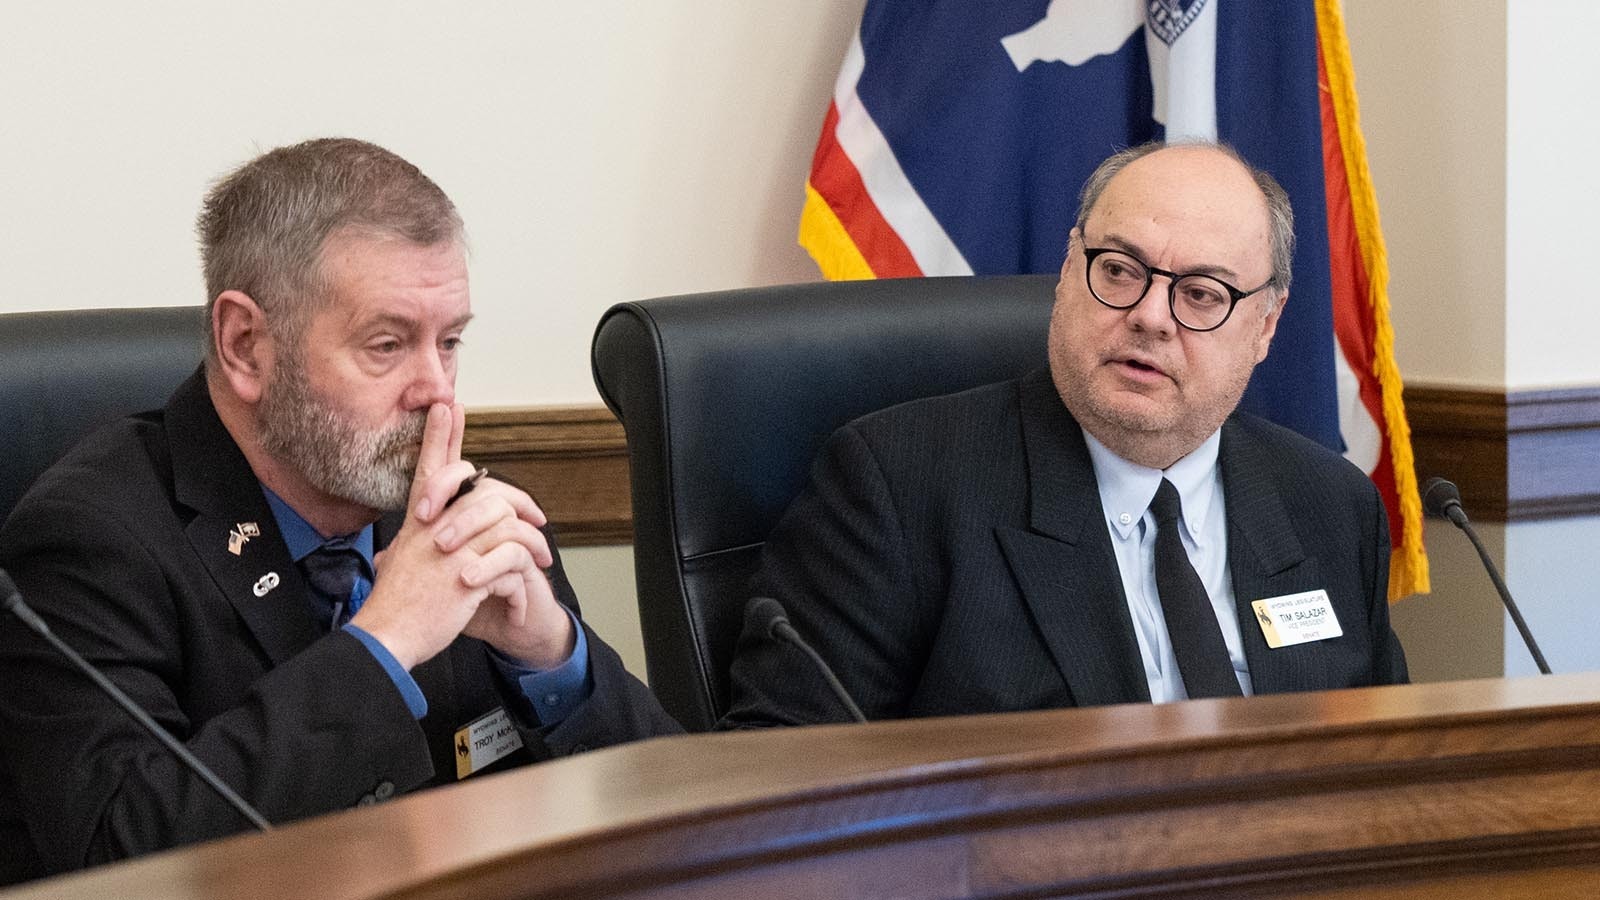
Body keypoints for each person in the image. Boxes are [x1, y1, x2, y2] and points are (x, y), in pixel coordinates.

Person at [0, 138, 679, 881]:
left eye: (449, 342)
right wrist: (384, 643)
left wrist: (553, 658)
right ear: (246, 345)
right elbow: (125, 861)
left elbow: (685, 827)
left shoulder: (459, 508)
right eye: (387, 345)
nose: (437, 390)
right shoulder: (89, 540)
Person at [723, 141, 1408, 727]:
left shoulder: (1328, 505)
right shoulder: (895, 489)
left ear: (1265, 326)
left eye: (1201, 293)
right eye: (1119, 270)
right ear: (1068, 271)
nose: (1150, 316)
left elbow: (1386, 776)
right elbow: (784, 782)